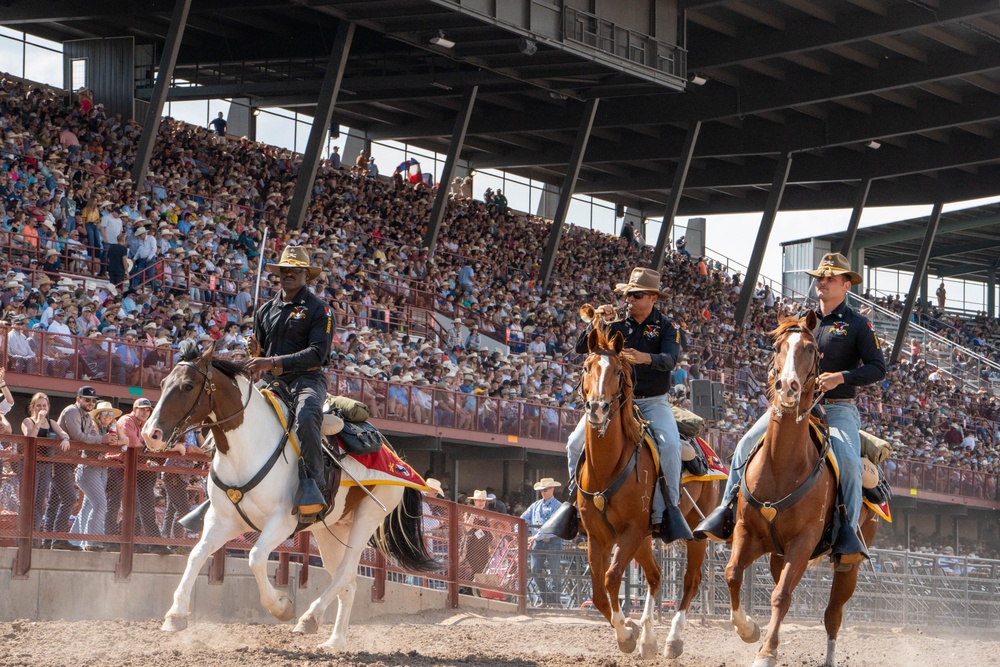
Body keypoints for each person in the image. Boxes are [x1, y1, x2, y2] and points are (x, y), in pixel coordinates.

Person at [694, 253, 886, 568]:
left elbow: (879, 368)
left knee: (850, 464)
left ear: (846, 284)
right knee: (745, 445)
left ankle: (847, 534)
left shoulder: (858, 324)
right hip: (791, 406)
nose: (822, 282)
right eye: (819, 277)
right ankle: (726, 511)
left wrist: (842, 377)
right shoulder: (802, 321)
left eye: (830, 278)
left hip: (837, 408)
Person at [550, 267, 693, 544]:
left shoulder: (667, 327)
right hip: (614, 402)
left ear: (653, 298)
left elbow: (670, 360)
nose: (629, 299)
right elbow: (583, 348)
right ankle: (575, 505)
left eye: (636, 295)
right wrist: (596, 323)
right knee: (574, 443)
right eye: (627, 294)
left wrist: (644, 358)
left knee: (670, 446)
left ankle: (669, 512)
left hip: (652, 402)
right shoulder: (615, 322)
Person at [246, 246, 334, 516]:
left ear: (306, 274)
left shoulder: (320, 310)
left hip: (307, 379)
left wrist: (271, 362)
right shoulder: (264, 310)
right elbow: (258, 352)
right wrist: (254, 352)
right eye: (285, 270)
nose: (289, 274)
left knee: (307, 416)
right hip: (272, 382)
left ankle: (313, 485)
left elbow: (318, 353)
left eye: (295, 270)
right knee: (239, 410)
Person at [52, 387, 115, 550]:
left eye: (93, 400)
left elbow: (91, 438)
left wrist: (102, 440)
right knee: (67, 500)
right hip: (59, 460)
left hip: (70, 462)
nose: (90, 403)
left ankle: (56, 541)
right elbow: (79, 437)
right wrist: (102, 440)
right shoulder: (72, 411)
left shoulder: (86, 417)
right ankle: (58, 540)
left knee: (62, 501)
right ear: (78, 399)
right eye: (87, 399)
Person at [114, 397, 168, 554]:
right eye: (142, 409)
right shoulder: (126, 420)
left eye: (147, 410)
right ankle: (124, 541)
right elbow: (132, 443)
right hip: (123, 469)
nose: (145, 412)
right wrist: (150, 447)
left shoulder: (148, 424)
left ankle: (151, 543)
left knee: (146, 507)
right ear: (134, 408)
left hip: (142, 470)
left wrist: (150, 448)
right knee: (129, 507)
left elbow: (160, 444)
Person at [22, 391, 72, 547]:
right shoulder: (28, 421)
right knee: (28, 501)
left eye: (44, 405)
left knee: (39, 503)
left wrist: (64, 439)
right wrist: (38, 421)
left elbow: (63, 433)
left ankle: (34, 538)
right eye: (38, 406)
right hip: (30, 465)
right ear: (33, 407)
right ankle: (23, 538)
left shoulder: (52, 423)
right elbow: (30, 437)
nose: (41, 408)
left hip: (45, 466)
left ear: (48, 407)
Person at [72, 400, 121, 551]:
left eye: (110, 414)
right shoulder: (93, 425)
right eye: (104, 413)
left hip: (102, 468)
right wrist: (113, 438)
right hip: (88, 468)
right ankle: (91, 542)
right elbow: (99, 443)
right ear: (99, 415)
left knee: (88, 506)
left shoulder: (111, 428)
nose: (107, 416)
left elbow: (125, 443)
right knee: (101, 504)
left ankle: (73, 541)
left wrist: (116, 425)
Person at [520, 477, 564, 606]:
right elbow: (523, 518)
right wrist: (519, 528)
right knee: (535, 570)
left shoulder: (558, 506)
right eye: (542, 490)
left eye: (545, 490)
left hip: (552, 541)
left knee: (554, 571)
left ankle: (554, 600)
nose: (543, 492)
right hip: (539, 542)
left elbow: (554, 526)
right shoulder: (535, 505)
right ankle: (547, 599)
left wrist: (536, 535)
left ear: (552, 489)